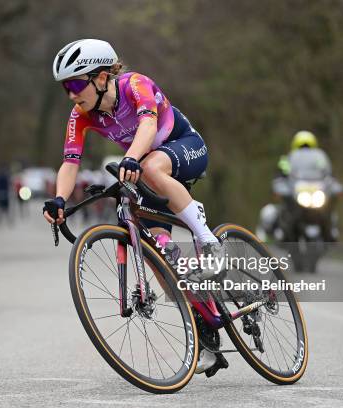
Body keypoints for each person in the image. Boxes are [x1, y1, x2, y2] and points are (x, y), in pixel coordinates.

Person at [42, 39, 226, 376]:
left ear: (100, 77)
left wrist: (131, 157)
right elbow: (70, 162)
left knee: (153, 168)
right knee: (160, 255)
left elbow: (148, 126)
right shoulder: (80, 115)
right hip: (145, 163)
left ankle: (207, 238)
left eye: (74, 84)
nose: (70, 94)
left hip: (184, 148)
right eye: (65, 87)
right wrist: (59, 199)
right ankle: (206, 329)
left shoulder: (134, 85)